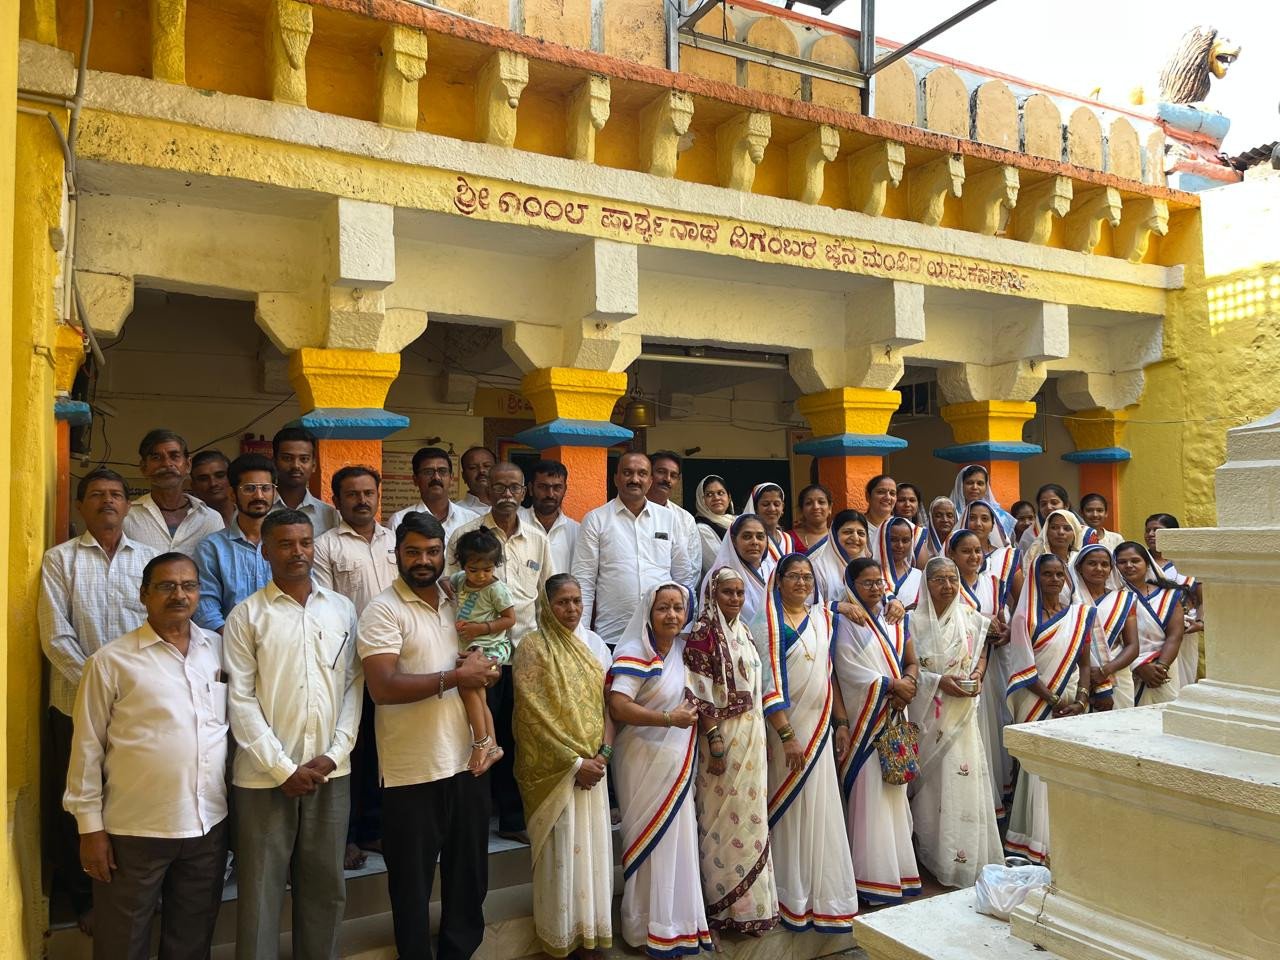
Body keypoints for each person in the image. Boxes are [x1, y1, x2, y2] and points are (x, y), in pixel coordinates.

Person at [64, 552, 228, 960]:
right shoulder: (110, 661)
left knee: (191, 941)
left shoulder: (218, 650)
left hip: (207, 825)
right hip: (134, 831)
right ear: (143, 595)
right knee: (122, 943)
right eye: (166, 586)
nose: (179, 595)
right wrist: (90, 830)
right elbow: (86, 748)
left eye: (188, 586)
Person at [359, 512, 500, 960]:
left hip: (467, 763)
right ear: (397, 554)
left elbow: (479, 659)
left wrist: (485, 672)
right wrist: (457, 677)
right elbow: (382, 688)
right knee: (411, 885)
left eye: (432, 552)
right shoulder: (383, 610)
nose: (423, 560)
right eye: (413, 552)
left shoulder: (457, 600)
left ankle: (459, 953)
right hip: (411, 771)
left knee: (469, 878)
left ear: (444, 555)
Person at [223, 510, 362, 960]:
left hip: (329, 772)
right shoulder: (247, 616)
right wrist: (282, 768)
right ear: (265, 551)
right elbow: (240, 700)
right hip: (264, 779)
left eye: (305, 542)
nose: (297, 552)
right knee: (260, 892)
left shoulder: (341, 608)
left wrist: (336, 753)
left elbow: (352, 686)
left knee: (326, 887)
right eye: (285, 544)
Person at [38, 468, 157, 931]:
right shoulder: (60, 560)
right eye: (96, 495)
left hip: (137, 706)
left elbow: (158, 630)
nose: (108, 501)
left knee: (132, 798)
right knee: (80, 803)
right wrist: (99, 687)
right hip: (74, 705)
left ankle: (135, 892)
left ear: (128, 505)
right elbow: (55, 636)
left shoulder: (150, 560)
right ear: (80, 506)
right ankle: (85, 898)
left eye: (116, 495)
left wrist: (130, 690)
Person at [753, 554, 858, 933]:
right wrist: (787, 736)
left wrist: (841, 722)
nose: (801, 582)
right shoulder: (766, 624)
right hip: (785, 735)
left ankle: (825, 898)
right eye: (794, 576)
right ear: (778, 581)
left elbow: (830, 676)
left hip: (820, 730)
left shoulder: (823, 618)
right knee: (791, 809)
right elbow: (765, 685)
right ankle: (791, 896)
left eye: (807, 577)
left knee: (823, 806)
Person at [450, 461, 554, 841]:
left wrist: (549, 650)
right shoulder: (465, 536)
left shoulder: (538, 539)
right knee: (476, 733)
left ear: (524, 491)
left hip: (524, 653)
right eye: (498, 487)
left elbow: (545, 598)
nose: (506, 494)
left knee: (517, 735)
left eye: (514, 487)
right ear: (486, 489)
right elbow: (449, 591)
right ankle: (473, 823)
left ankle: (513, 819)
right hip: (479, 656)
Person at [512, 575, 615, 960]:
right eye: (562, 602)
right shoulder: (532, 647)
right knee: (563, 856)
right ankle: (561, 939)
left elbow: (608, 705)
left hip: (596, 768)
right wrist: (575, 763)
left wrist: (603, 755)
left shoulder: (595, 645)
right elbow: (532, 715)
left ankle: (593, 934)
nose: (571, 609)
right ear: (546, 605)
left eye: (576, 601)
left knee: (593, 855)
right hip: (558, 774)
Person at [607, 582, 712, 957]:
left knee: (679, 839)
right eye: (663, 608)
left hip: (677, 759)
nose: (671, 615)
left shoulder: (684, 650)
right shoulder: (635, 651)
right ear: (649, 614)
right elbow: (618, 706)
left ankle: (677, 926)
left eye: (678, 608)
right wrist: (669, 719)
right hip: (640, 757)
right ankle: (642, 928)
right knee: (647, 841)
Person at [684, 567, 778, 937]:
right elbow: (698, 692)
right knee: (722, 820)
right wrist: (715, 740)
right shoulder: (703, 635)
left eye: (739, 593)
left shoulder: (744, 632)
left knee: (752, 820)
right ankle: (724, 909)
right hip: (722, 741)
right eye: (727, 592)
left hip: (752, 738)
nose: (735, 599)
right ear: (712, 594)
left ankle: (750, 909)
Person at [312, 465, 398, 871]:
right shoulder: (325, 546)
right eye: (352, 494)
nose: (362, 500)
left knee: (384, 749)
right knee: (352, 751)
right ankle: (345, 836)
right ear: (337, 500)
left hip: (396, 664)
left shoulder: (396, 541)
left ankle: (374, 829)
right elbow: (326, 608)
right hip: (349, 665)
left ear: (378, 495)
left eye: (368, 493)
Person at [907, 557, 1004, 888]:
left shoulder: (971, 618)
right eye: (939, 579)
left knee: (962, 780)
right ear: (926, 583)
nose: (947, 586)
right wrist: (938, 681)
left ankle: (961, 859)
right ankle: (930, 854)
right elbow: (907, 667)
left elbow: (982, 653)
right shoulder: (912, 621)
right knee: (931, 788)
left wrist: (977, 673)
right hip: (929, 717)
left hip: (962, 713)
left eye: (952, 579)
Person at [833, 558, 921, 905]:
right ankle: (870, 878)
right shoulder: (843, 621)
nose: (874, 588)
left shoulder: (894, 617)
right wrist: (892, 685)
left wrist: (909, 682)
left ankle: (899, 872)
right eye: (866, 583)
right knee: (868, 793)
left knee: (894, 792)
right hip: (865, 720)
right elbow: (846, 669)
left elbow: (911, 660)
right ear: (851, 585)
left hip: (895, 713)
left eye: (878, 582)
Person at [1004, 554, 1094, 865]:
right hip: (1037, 702)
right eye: (1047, 574)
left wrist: (1081, 700)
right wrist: (1055, 701)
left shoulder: (1078, 615)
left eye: (1059, 574)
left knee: (1069, 768)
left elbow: (1085, 662)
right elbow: (1024, 669)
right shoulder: (1024, 618)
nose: (1054, 580)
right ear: (1036, 578)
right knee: (1038, 772)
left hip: (1072, 701)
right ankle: (1037, 843)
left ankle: (1068, 836)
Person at [573, 453, 697, 648]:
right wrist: (581, 635)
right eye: (627, 473)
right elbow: (584, 581)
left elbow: (683, 578)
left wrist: (686, 629)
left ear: (650, 480)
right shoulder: (596, 519)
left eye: (642, 474)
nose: (635, 479)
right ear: (616, 478)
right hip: (613, 635)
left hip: (661, 635)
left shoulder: (668, 519)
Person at [947, 529, 1014, 821]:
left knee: (993, 725)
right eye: (966, 551)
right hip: (960, 667)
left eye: (978, 551)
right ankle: (967, 801)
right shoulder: (947, 583)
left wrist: (1002, 632)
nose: (974, 556)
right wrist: (980, 622)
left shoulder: (994, 584)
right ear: (952, 554)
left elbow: (1004, 621)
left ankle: (994, 794)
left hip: (992, 665)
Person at [449, 528, 517, 774]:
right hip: (472, 647)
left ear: (495, 565)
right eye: (473, 570)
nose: (480, 576)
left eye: (487, 570)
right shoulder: (459, 580)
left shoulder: (496, 589)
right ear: (462, 565)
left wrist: (481, 628)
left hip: (492, 647)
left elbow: (510, 619)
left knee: (468, 687)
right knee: (478, 696)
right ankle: (493, 746)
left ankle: (481, 741)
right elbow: (446, 583)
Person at [192, 453, 275, 632]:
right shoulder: (211, 548)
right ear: (232, 494)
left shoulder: (289, 544)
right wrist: (234, 641)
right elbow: (205, 607)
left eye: (266, 488)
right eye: (249, 488)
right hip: (228, 643)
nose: (259, 495)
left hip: (283, 642)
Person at [123, 429, 225, 555]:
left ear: (188, 465)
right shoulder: (126, 517)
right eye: (156, 457)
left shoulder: (210, 519)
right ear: (144, 468)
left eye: (174, 456)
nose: (167, 464)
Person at [1114, 541, 1188, 704]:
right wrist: (1138, 665)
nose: (1129, 566)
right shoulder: (1111, 598)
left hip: (1163, 670)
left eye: (1135, 560)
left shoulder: (1168, 595)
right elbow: (1111, 641)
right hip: (1126, 669)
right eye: (1122, 562)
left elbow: (1175, 636)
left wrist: (1161, 668)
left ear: (1147, 564)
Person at [1072, 545, 1140, 710]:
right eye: (1092, 563)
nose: (1099, 569)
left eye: (1104, 564)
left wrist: (1104, 671)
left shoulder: (1123, 600)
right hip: (1079, 676)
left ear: (1111, 569)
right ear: (1079, 567)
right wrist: (1090, 675)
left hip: (1117, 673)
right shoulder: (1070, 601)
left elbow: (1133, 646)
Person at [390, 447, 479, 547]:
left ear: (451, 478)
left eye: (442, 471)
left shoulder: (471, 520)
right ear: (415, 479)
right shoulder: (399, 520)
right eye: (428, 472)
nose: (436, 477)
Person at [1144, 513, 1205, 646]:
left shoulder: (1189, 563)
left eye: (1157, 530)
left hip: (1185, 632)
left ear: (1172, 533)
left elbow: (1203, 600)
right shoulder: (1140, 561)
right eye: (1148, 530)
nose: (1150, 534)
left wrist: (1200, 623)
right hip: (1148, 633)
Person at [701, 514, 770, 625]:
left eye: (760, 537)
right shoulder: (719, 575)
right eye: (747, 536)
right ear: (733, 540)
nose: (754, 542)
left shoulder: (773, 571)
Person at [270, 427, 339, 536]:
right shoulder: (259, 509)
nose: (296, 465)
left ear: (314, 465)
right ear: (274, 463)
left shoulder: (329, 515)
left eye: (304, 459)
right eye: (287, 458)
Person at [650, 451, 703, 591]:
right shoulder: (633, 512)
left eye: (673, 476)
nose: (667, 479)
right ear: (649, 473)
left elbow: (693, 569)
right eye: (661, 472)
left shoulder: (685, 519)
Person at [519, 460, 580, 574]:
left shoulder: (576, 530)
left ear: (565, 490)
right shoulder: (516, 522)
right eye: (543, 487)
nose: (550, 494)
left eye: (557, 487)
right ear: (531, 489)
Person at [961, 499, 1024, 604]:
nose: (978, 523)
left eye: (984, 519)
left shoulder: (1007, 557)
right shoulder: (953, 555)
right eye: (972, 518)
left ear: (992, 526)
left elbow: (1021, 601)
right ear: (964, 522)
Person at [1022, 508, 1085, 603]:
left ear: (1075, 533)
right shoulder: (1037, 559)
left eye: (1067, 528)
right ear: (1046, 531)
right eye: (1054, 527)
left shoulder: (1080, 560)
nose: (1061, 532)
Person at [809, 509, 870, 601]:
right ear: (834, 535)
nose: (855, 538)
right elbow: (809, 605)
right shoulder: (817, 568)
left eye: (861, 533)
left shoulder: (870, 568)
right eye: (848, 532)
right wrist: (835, 606)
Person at [948, 465, 1016, 538]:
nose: (975, 487)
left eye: (980, 483)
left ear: (986, 487)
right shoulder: (950, 515)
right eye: (970, 483)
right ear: (961, 485)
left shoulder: (1001, 517)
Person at [743, 482, 803, 564]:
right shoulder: (750, 539)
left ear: (782, 508)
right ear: (755, 508)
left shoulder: (788, 539)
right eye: (765, 504)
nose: (772, 509)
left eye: (776, 504)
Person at [693, 475, 736, 574]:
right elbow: (719, 565)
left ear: (729, 497)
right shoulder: (701, 528)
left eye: (721, 493)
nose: (716, 498)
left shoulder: (738, 521)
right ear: (701, 500)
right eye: (709, 494)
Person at [877, 517, 922, 609]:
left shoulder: (918, 575)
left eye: (905, 540)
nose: (900, 545)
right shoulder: (870, 573)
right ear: (883, 539)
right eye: (893, 540)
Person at [1016, 483, 1073, 551]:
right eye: (1043, 504)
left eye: (1054, 503)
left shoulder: (1081, 532)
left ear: (1066, 506)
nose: (1048, 507)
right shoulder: (1029, 535)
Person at [190, 449, 235, 526]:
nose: (213, 483)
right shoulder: (189, 523)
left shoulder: (250, 513)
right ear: (193, 486)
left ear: (232, 478)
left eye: (220, 476)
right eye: (203, 479)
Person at [863, 475, 898, 564]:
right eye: (881, 492)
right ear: (868, 496)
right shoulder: (857, 525)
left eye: (892, 493)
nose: (888, 497)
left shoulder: (904, 526)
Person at [792, 483, 833, 551]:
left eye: (821, 502)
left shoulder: (838, 538)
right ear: (801, 509)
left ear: (830, 508)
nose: (815, 507)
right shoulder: (789, 539)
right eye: (809, 503)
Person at [918, 497, 957, 567]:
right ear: (931, 518)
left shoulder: (961, 541)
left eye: (949, 516)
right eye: (938, 516)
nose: (945, 520)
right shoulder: (921, 541)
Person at [458, 445, 497, 512]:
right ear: (464, 476)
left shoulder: (514, 509)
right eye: (473, 467)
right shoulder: (455, 512)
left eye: (487, 466)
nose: (481, 470)